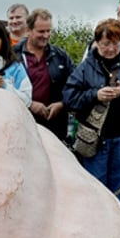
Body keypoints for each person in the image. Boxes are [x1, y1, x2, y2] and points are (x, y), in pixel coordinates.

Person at [64, 18, 120, 204]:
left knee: (119, 192)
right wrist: (94, 95)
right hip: (95, 141)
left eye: (115, 43)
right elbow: (68, 97)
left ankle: (118, 231)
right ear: (96, 43)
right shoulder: (84, 68)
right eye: (105, 43)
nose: (111, 48)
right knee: (95, 191)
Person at [13, 8, 74, 141]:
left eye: (48, 31)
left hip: (54, 128)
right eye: (41, 31)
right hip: (21, 125)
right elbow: (5, 87)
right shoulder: (13, 56)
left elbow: (74, 85)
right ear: (28, 30)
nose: (46, 35)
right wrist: (29, 103)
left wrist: (62, 104)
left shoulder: (61, 56)